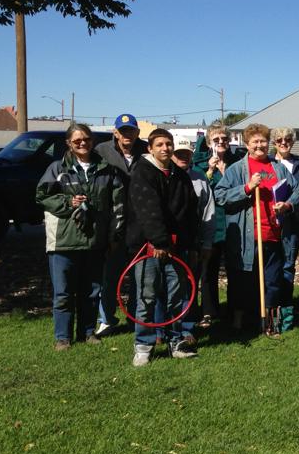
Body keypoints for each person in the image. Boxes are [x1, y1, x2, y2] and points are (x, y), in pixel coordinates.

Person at [36, 124, 124, 350]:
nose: (82, 143)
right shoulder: (58, 168)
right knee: (63, 293)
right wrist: (67, 203)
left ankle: (87, 332)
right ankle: (62, 337)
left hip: (95, 240)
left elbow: (117, 206)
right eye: (77, 141)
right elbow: (42, 196)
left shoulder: (106, 169)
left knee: (91, 291)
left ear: (92, 140)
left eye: (86, 139)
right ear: (68, 144)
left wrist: (113, 236)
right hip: (63, 241)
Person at [214, 123, 299, 335]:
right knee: (242, 282)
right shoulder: (237, 169)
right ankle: (238, 322)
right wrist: (246, 188)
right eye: (255, 142)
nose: (260, 145)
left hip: (273, 235)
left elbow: (297, 191)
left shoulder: (277, 167)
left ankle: (269, 323)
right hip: (246, 238)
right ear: (247, 144)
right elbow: (220, 195)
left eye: (263, 141)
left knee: (272, 281)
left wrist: (288, 204)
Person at [126, 129, 198, 366]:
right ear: (150, 148)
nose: (165, 148)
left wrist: (184, 240)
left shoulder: (179, 175)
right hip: (149, 247)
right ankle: (143, 346)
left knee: (176, 297)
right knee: (146, 297)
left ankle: (175, 341)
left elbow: (190, 209)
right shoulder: (143, 173)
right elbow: (148, 211)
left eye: (168, 144)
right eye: (160, 144)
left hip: (176, 248)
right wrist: (159, 241)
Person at [92, 112, 147, 337]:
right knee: (109, 276)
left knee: (138, 276)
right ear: (115, 132)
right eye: (122, 131)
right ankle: (106, 319)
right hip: (111, 222)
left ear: (137, 132)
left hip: (139, 222)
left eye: (131, 130)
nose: (127, 135)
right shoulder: (102, 151)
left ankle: (135, 316)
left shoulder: (146, 150)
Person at [193, 125, 238, 328]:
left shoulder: (236, 163)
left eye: (224, 139)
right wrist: (210, 170)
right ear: (210, 142)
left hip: (234, 223)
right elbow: (199, 192)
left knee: (235, 269)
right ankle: (209, 311)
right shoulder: (200, 164)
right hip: (212, 223)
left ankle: (234, 309)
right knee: (208, 271)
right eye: (216, 139)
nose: (221, 142)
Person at [171, 138, 215, 335]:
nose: (183, 157)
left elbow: (208, 212)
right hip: (169, 241)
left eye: (186, 154)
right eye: (179, 153)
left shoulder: (200, 178)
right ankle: (163, 329)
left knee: (190, 284)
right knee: (167, 286)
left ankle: (187, 329)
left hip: (193, 241)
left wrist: (207, 243)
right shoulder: (166, 176)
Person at [272, 126, 299, 332]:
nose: (283, 143)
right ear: (274, 143)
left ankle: (286, 315)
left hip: (292, 224)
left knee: (287, 269)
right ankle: (270, 311)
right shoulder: (268, 164)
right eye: (279, 140)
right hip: (270, 224)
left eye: (287, 139)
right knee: (270, 270)